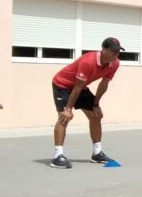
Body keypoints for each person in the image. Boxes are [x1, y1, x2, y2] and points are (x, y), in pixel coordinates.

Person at [49, 37, 124, 169]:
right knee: (64, 117)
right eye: (113, 51)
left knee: (96, 115)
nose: (116, 54)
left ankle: (97, 153)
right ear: (104, 50)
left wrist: (95, 104)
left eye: (118, 51)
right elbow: (76, 87)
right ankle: (57, 156)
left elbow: (104, 83)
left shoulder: (115, 63)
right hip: (62, 85)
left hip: (81, 87)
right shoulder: (88, 61)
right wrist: (68, 109)